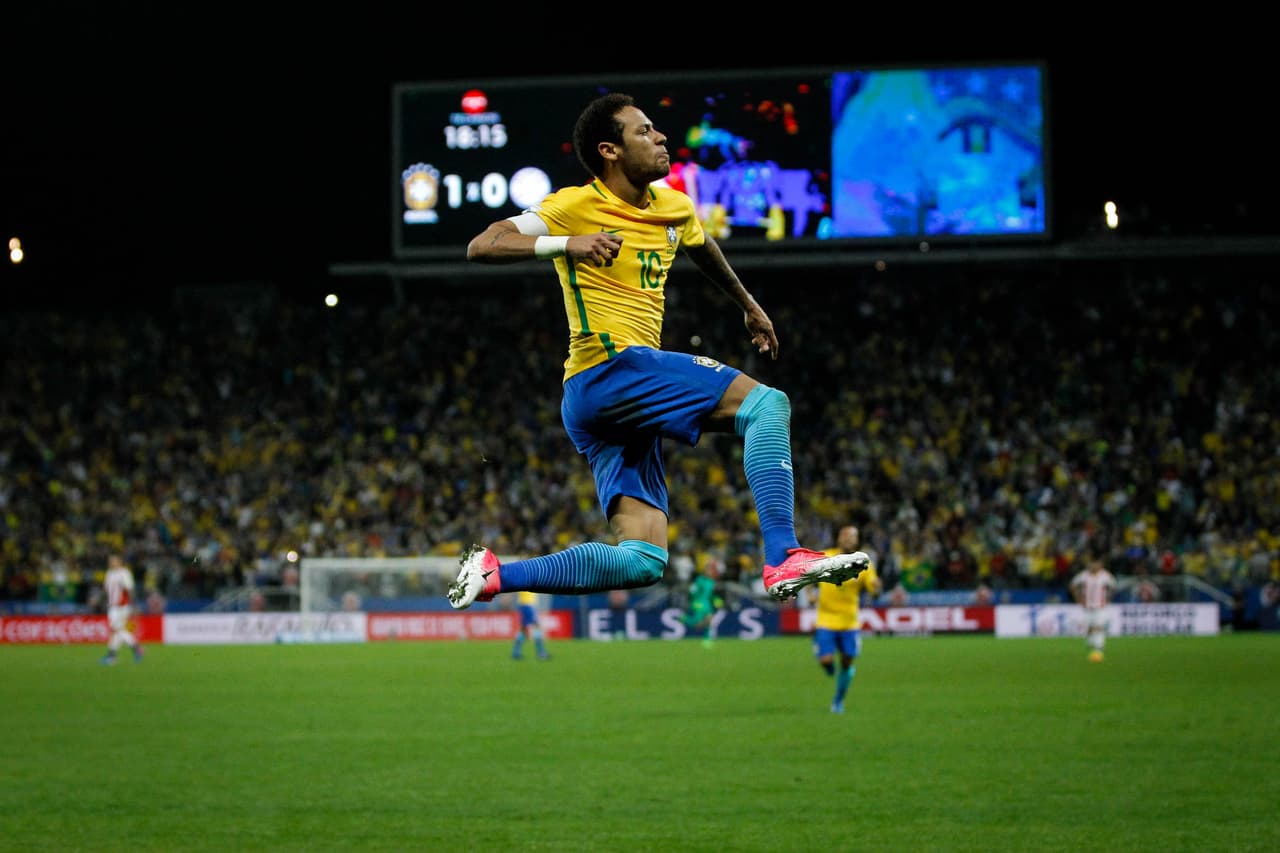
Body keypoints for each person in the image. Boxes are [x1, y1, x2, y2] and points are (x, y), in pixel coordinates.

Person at [449, 92, 868, 610]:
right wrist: (565, 244)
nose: (661, 137)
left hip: (608, 401)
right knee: (767, 405)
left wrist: (747, 303)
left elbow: (700, 245)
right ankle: (784, 554)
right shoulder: (574, 206)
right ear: (610, 150)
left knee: (643, 559)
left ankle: (494, 575)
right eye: (643, 131)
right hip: (609, 369)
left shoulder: (673, 204)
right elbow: (483, 244)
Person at [807, 525, 881, 713]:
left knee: (847, 662)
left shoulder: (863, 563)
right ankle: (829, 667)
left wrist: (876, 587)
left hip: (849, 622)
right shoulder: (826, 556)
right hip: (826, 619)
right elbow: (808, 576)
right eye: (845, 535)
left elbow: (874, 589)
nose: (849, 539)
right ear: (839, 538)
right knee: (826, 660)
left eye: (853, 536)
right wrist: (810, 594)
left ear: (857, 541)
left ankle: (838, 701)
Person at [1070, 550, 1117, 662]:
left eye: (1095, 563)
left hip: (1100, 606)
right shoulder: (1084, 575)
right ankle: (1092, 644)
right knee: (1089, 627)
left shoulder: (1105, 575)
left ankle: (1099, 647)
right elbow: (1073, 585)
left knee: (1098, 626)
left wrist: (1108, 599)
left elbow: (1113, 587)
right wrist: (1078, 598)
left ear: (1100, 565)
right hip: (1087, 606)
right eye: (1091, 563)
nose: (1093, 566)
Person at [101, 554, 143, 665]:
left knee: (117, 630)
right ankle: (112, 655)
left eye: (113, 561)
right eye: (110, 561)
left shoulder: (124, 573)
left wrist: (133, 605)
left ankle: (134, 648)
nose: (111, 563)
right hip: (112, 606)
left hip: (121, 607)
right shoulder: (109, 574)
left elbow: (130, 589)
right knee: (117, 631)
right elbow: (106, 590)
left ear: (119, 562)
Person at [682, 558, 724, 648]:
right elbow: (693, 591)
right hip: (698, 603)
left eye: (711, 570)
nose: (710, 571)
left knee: (709, 620)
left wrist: (716, 600)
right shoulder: (699, 580)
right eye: (708, 569)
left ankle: (707, 640)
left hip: (707, 604)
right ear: (705, 570)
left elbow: (711, 594)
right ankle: (684, 619)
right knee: (697, 624)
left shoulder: (711, 581)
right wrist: (694, 601)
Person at [511, 590, 550, 661]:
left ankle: (516, 653)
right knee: (536, 626)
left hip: (525, 604)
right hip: (527, 604)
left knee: (523, 628)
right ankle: (541, 653)